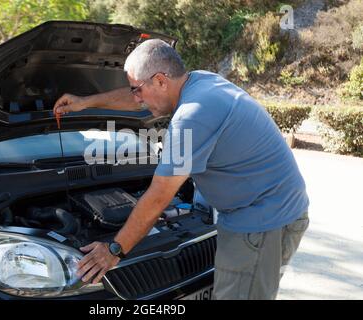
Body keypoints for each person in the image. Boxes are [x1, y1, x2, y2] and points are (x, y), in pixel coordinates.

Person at [53, 39, 309, 300]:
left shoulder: (192, 115)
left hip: (261, 222)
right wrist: (84, 102)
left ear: (161, 80)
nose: (136, 98)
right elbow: (136, 100)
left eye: (137, 89)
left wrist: (114, 250)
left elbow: (159, 197)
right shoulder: (199, 82)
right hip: (273, 209)